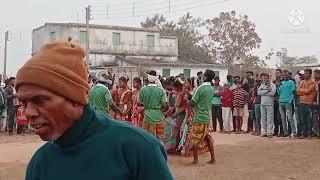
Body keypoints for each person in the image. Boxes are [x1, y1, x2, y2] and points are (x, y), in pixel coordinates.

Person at [18, 41, 173, 180]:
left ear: (74, 99)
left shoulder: (137, 148)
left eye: (40, 100)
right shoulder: (40, 163)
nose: (29, 112)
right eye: (23, 102)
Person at [185, 69, 215, 165]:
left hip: (199, 117)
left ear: (205, 77)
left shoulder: (201, 88)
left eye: (203, 75)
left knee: (194, 139)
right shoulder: (211, 89)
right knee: (207, 137)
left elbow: (193, 103)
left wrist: (187, 100)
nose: (201, 77)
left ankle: (195, 160)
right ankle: (213, 159)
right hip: (206, 117)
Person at [139, 70, 168, 141]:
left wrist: (147, 105)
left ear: (148, 78)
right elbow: (165, 106)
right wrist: (161, 111)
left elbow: (139, 103)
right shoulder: (161, 90)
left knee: (147, 139)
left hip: (147, 117)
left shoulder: (143, 90)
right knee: (160, 139)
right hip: (158, 117)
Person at [296, 69, 317, 138]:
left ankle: (309, 134)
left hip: (309, 103)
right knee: (302, 119)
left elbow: (308, 91)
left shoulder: (313, 82)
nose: (305, 74)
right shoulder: (302, 82)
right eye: (305, 73)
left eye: (307, 73)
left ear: (310, 74)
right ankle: (304, 133)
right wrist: (304, 91)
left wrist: (301, 91)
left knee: (309, 119)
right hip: (301, 102)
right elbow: (297, 91)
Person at [279, 70, 297, 138]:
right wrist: (278, 87)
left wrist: (290, 101)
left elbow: (293, 93)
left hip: (288, 103)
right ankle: (286, 132)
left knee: (290, 118)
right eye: (283, 75)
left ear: (288, 75)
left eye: (286, 75)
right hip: (281, 102)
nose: (284, 76)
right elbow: (279, 92)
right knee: (283, 118)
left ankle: (294, 132)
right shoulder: (281, 82)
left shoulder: (291, 82)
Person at [258, 73, 276, 137]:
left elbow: (272, 93)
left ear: (269, 78)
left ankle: (270, 132)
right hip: (262, 104)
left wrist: (264, 92)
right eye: (264, 78)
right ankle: (264, 132)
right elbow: (258, 92)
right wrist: (267, 91)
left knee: (270, 118)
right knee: (263, 119)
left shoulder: (273, 85)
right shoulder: (262, 85)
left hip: (270, 104)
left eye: (266, 78)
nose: (265, 79)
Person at [273, 69, 283, 136]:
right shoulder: (273, 82)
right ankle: (276, 131)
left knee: (280, 117)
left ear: (281, 74)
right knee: (274, 117)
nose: (277, 74)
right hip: (274, 101)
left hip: (281, 101)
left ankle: (282, 131)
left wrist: (278, 85)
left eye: (278, 73)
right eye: (276, 73)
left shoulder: (283, 81)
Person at [312, 69, 320, 136]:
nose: (315, 75)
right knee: (314, 118)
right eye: (314, 74)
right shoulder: (312, 82)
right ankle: (316, 132)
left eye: (316, 74)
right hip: (313, 103)